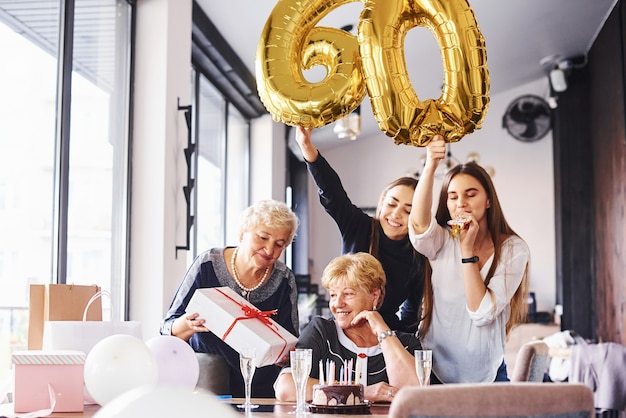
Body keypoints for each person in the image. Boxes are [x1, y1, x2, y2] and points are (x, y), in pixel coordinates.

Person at [408, 135, 530, 384]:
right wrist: (431, 165)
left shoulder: (513, 249)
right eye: (452, 197)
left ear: (488, 201)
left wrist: (467, 251)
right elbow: (419, 226)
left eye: (470, 194)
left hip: (488, 371)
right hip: (435, 368)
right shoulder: (442, 240)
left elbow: (482, 312)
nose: (460, 203)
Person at [160, 199, 300, 398]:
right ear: (243, 233)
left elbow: (292, 344)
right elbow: (167, 328)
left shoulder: (284, 279)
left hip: (263, 389)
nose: (269, 250)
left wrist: (284, 354)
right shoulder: (207, 264)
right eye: (262, 237)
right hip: (208, 383)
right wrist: (188, 324)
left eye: (279, 244)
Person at [295, 126, 426, 333]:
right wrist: (307, 147)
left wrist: (400, 344)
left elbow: (411, 313)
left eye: (408, 210)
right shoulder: (359, 226)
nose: (395, 215)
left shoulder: (419, 254)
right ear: (382, 202)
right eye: (391, 204)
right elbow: (333, 193)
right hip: (343, 330)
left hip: (383, 336)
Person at [274, 252, 421, 403]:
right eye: (333, 295)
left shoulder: (406, 343)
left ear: (374, 295)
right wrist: (361, 392)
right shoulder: (321, 332)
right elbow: (286, 388)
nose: (337, 304)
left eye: (348, 294)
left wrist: (383, 331)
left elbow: (415, 393)